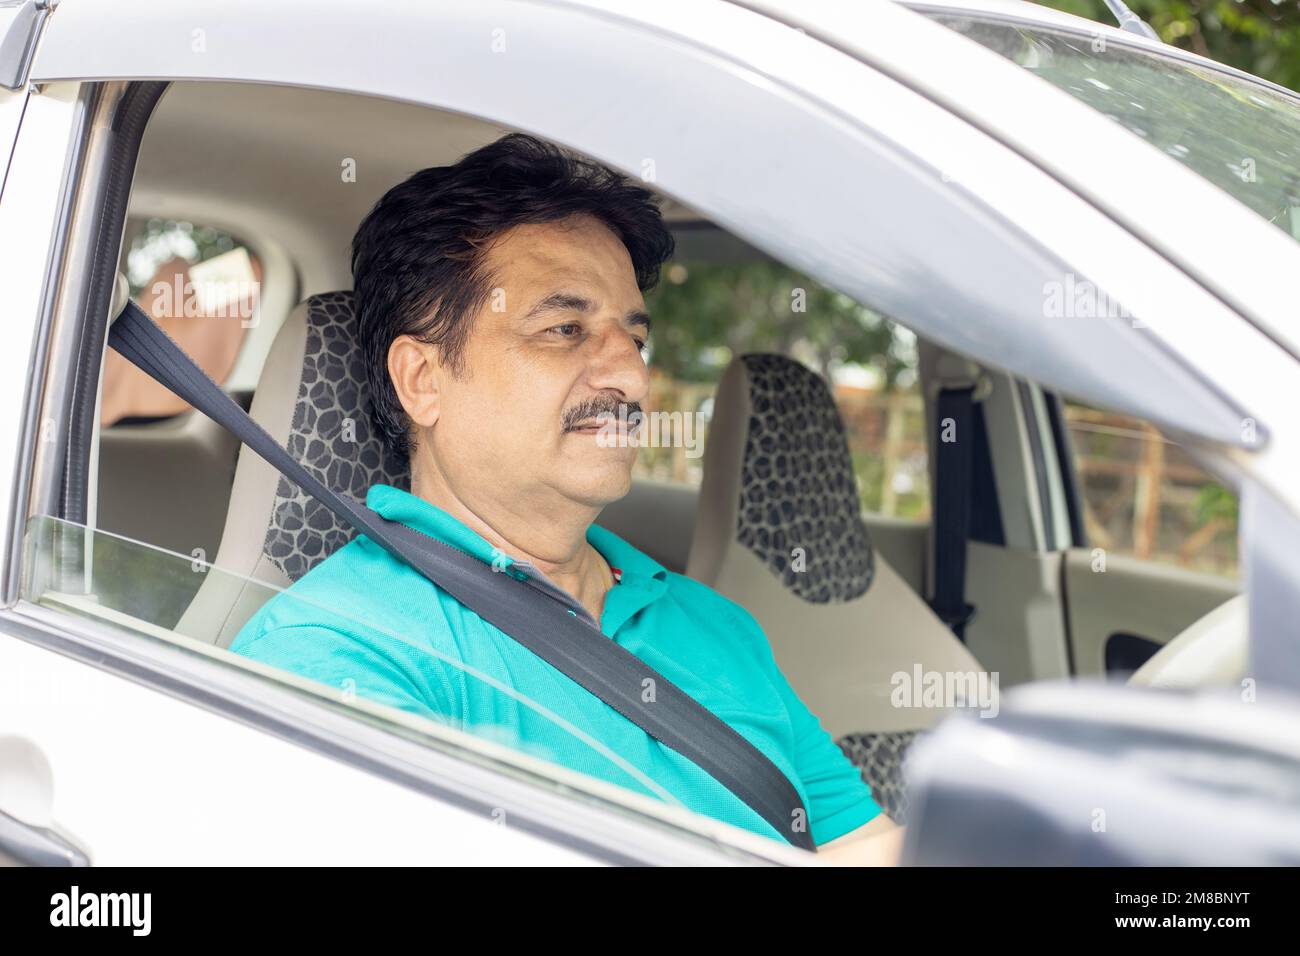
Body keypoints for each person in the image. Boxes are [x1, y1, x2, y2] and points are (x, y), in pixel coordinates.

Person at [231, 134, 901, 863]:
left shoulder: (719, 627)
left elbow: (862, 849)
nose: (633, 380)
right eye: (564, 330)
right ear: (422, 379)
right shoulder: (338, 650)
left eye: (633, 340)